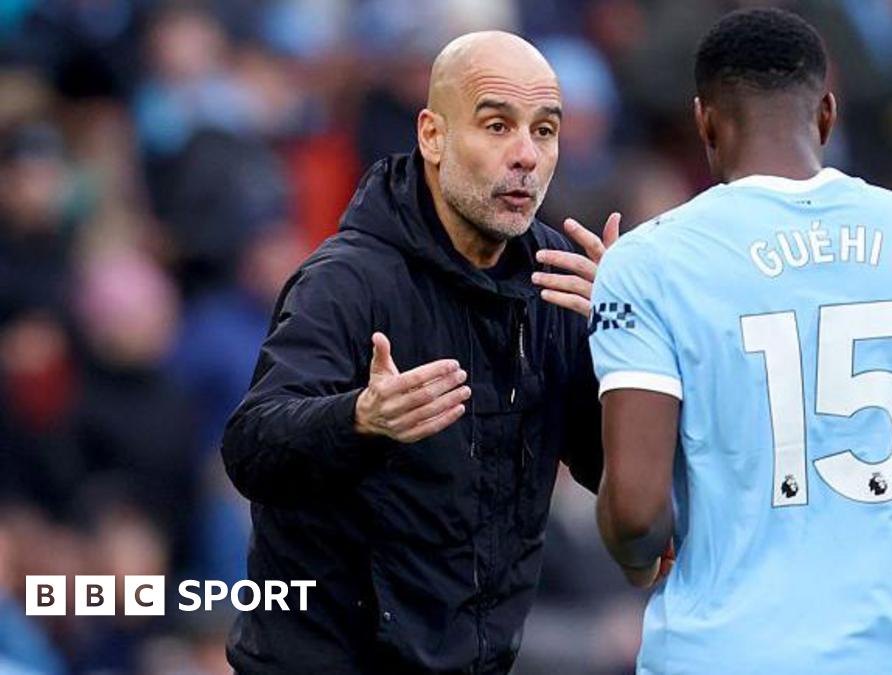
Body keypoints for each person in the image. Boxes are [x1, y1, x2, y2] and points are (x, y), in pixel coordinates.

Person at [588, 8, 892, 674]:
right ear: (826, 113)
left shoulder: (650, 261)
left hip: (725, 654)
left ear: (704, 119)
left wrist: (636, 558)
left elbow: (635, 514)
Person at [220, 31, 618, 673]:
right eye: (496, 126)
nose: (525, 156)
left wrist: (622, 345)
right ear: (432, 135)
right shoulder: (346, 282)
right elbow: (250, 447)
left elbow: (606, 466)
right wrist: (358, 419)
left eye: (544, 132)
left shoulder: (557, 283)